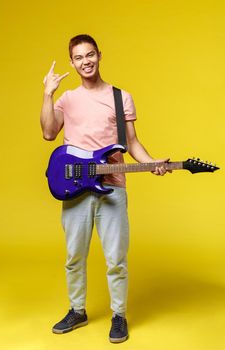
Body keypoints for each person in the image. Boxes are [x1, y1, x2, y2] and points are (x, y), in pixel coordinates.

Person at [40, 34, 169, 343]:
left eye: (90, 55)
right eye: (79, 57)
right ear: (72, 62)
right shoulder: (67, 98)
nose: (86, 61)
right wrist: (47, 94)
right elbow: (48, 132)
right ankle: (77, 310)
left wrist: (151, 163)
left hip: (113, 186)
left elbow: (133, 142)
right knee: (74, 256)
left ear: (99, 55)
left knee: (116, 259)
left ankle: (119, 315)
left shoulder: (120, 97)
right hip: (75, 188)